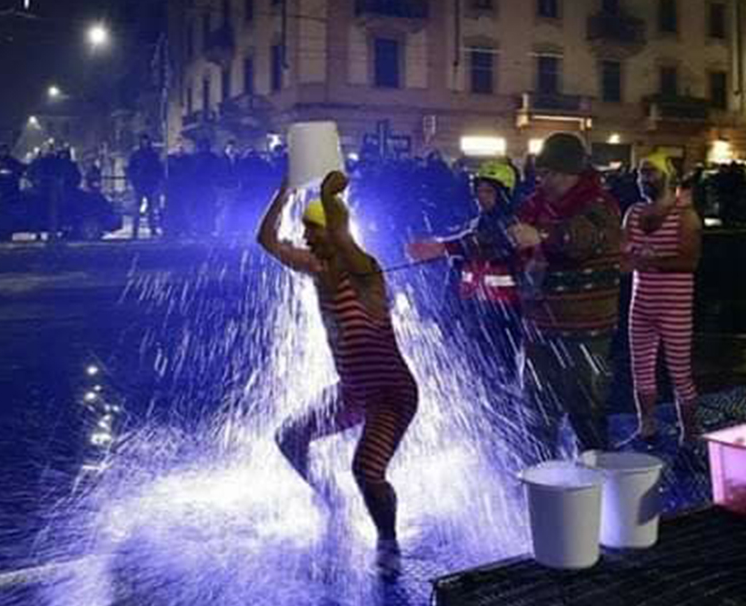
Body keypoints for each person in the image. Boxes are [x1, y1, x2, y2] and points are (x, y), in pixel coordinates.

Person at [258, 170, 418, 580]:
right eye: (306, 230)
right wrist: (284, 194)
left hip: (390, 393)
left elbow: (345, 240)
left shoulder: (365, 272)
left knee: (366, 469)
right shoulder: (316, 269)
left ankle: (388, 542)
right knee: (289, 436)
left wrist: (330, 197)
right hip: (353, 391)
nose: (308, 238)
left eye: (315, 231)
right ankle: (333, 500)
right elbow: (268, 242)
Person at [508, 133, 622, 457]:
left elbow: (581, 238)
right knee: (537, 413)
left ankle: (598, 488)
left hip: (585, 332)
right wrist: (445, 246)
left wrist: (541, 235)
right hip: (540, 329)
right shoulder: (534, 207)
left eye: (549, 174)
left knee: (587, 415)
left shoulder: (600, 206)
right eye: (540, 173)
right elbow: (507, 235)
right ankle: (543, 484)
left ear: (569, 173)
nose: (542, 180)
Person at [407, 160, 521, 386]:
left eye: (488, 191)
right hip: (473, 312)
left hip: (503, 317)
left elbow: (487, 243)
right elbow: (458, 269)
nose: (481, 196)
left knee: (500, 375)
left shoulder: (513, 224)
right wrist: (447, 314)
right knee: (474, 372)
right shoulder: (475, 224)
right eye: (478, 191)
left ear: (504, 194)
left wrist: (443, 247)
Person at [623, 153, 702, 444]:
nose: (643, 178)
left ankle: (690, 433)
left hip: (674, 308)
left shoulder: (685, 215)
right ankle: (646, 427)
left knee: (680, 374)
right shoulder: (633, 213)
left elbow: (690, 261)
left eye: (650, 172)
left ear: (668, 177)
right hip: (641, 305)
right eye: (641, 173)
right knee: (640, 369)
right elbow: (623, 255)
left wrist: (650, 262)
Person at [127, 134, 164, 239]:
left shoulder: (152, 155)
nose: (145, 143)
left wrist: (156, 182)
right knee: (137, 209)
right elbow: (131, 170)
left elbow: (158, 169)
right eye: (143, 141)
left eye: (146, 141)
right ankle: (135, 231)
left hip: (149, 185)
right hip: (140, 185)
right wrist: (134, 181)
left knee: (150, 209)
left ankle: (152, 230)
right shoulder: (137, 155)